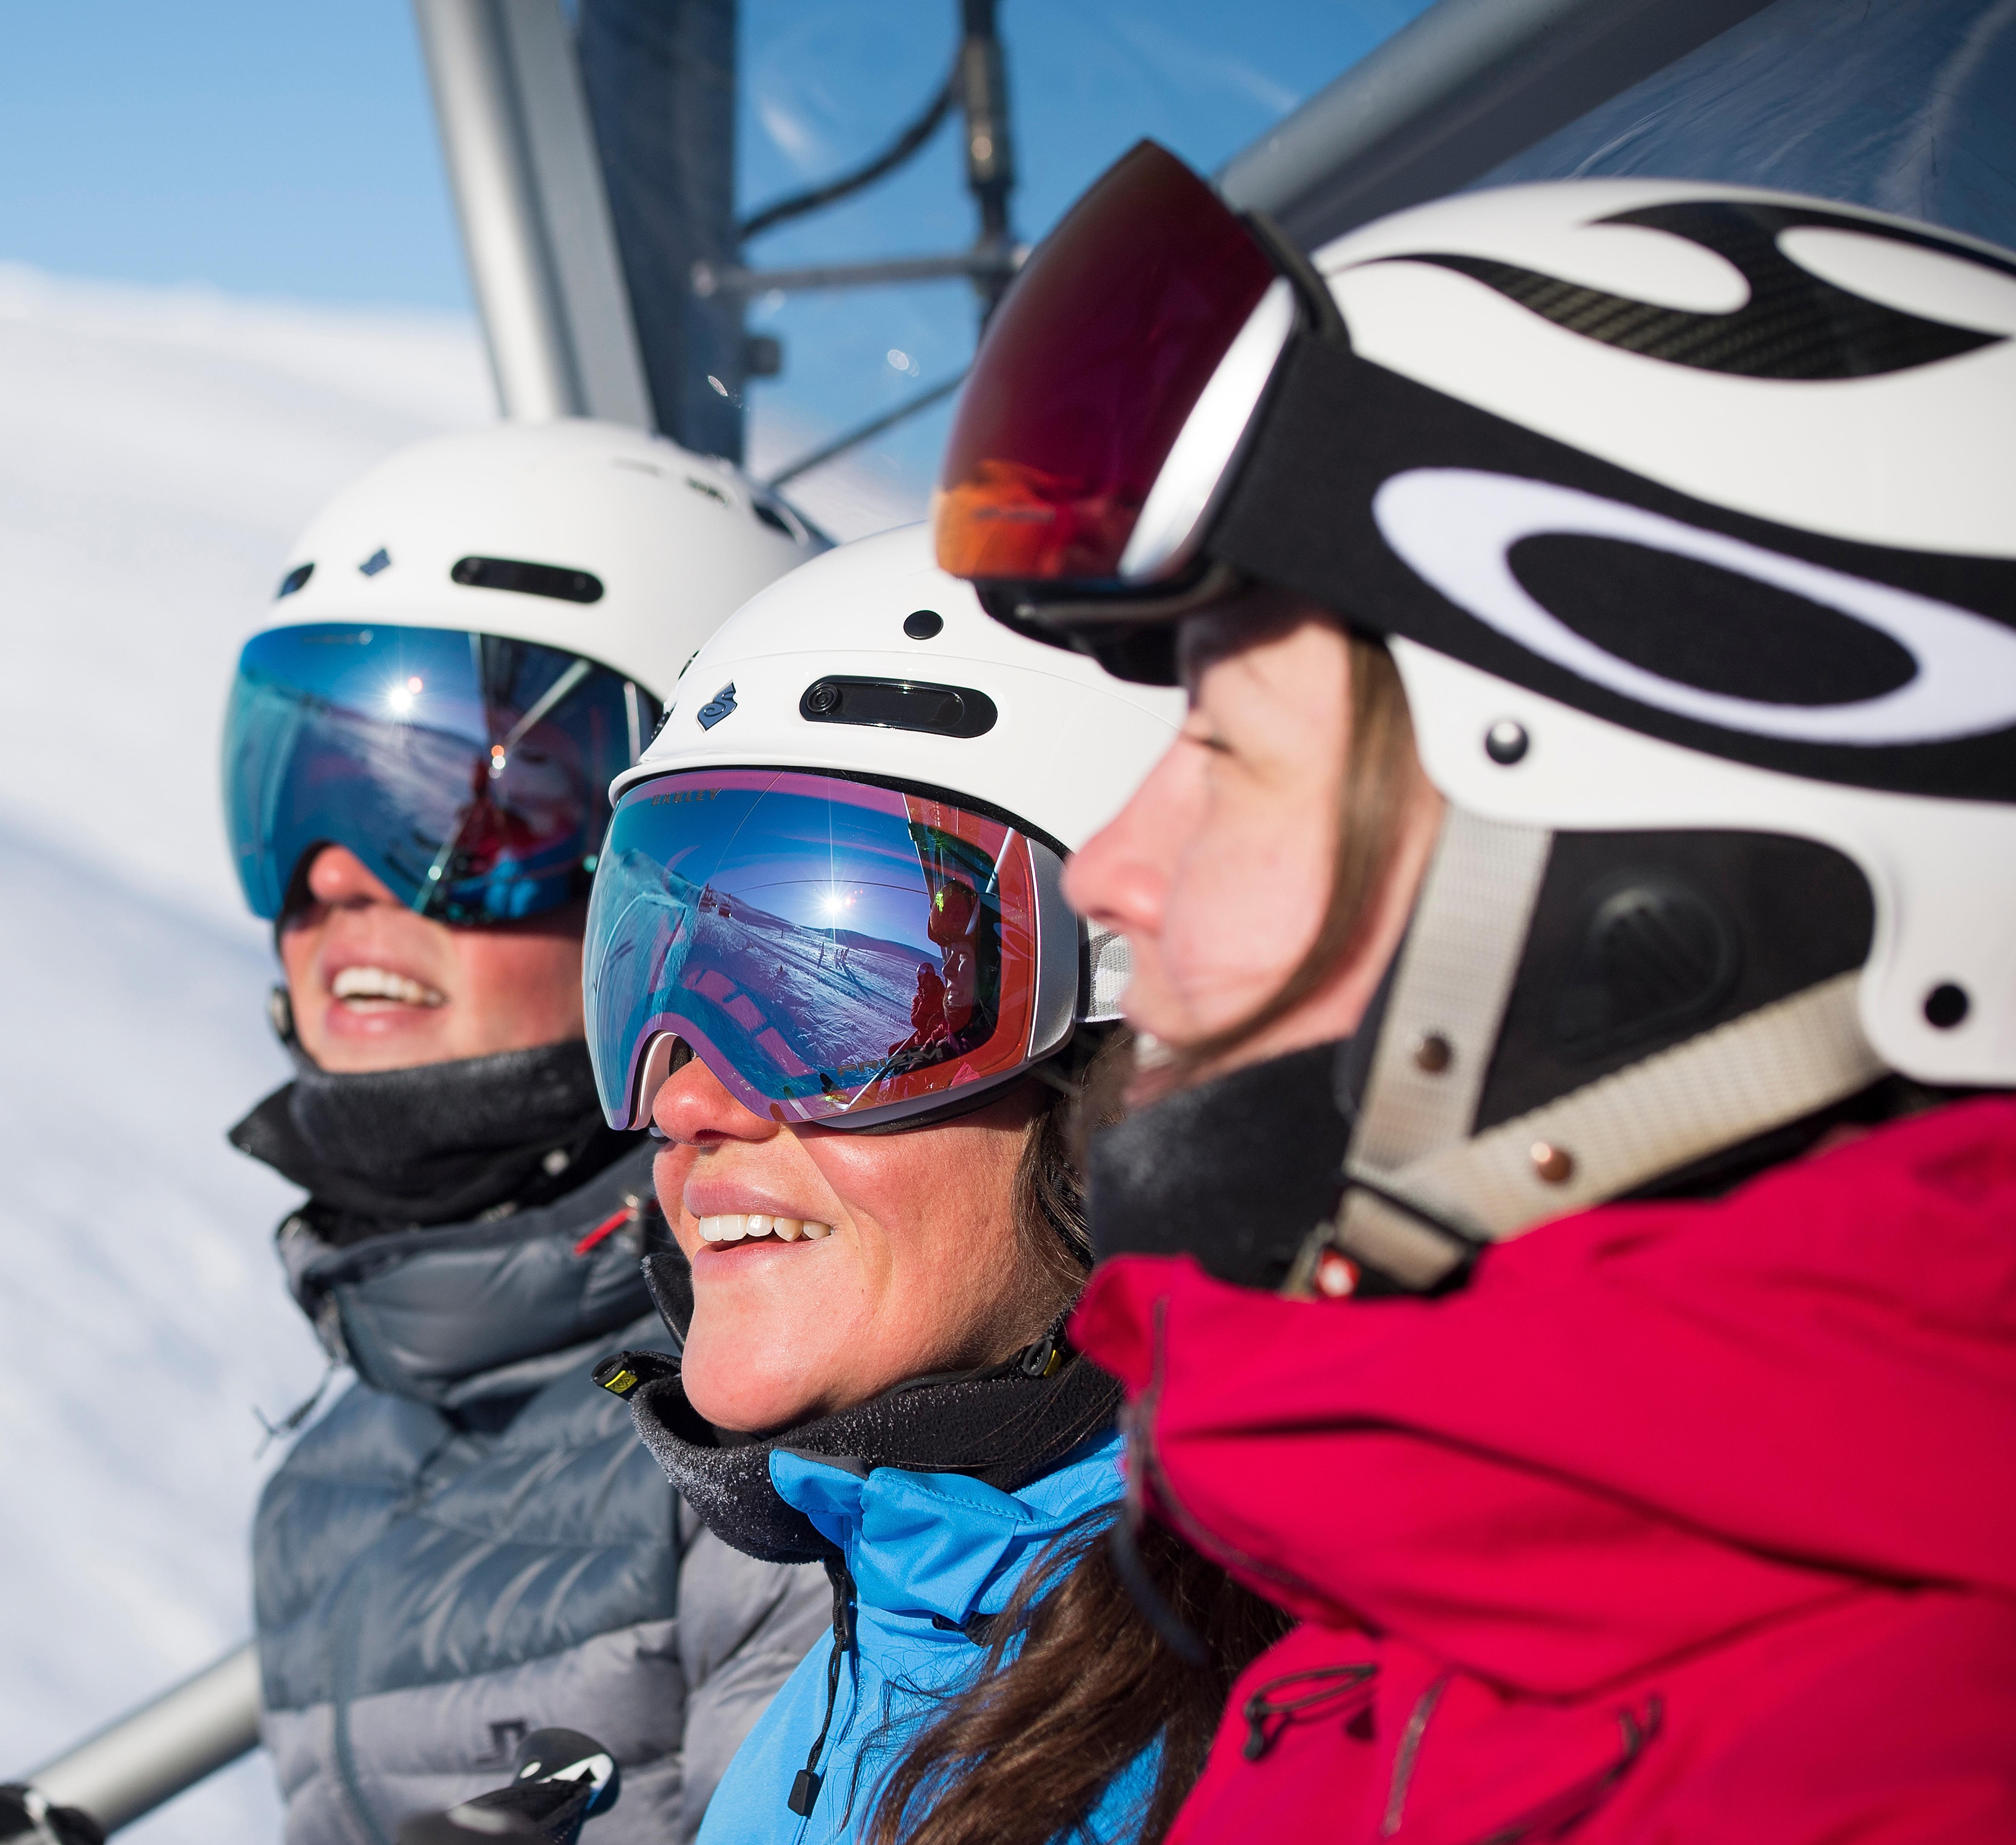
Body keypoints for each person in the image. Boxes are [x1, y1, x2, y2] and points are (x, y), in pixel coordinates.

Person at [932, 142, 2016, 1840]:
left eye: (1224, 747)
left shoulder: (1905, 1768)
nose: (1108, 872)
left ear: (1638, 915)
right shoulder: (1392, 1634)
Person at [576, 523, 1280, 1845]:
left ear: (1131, 1081)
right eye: (658, 993)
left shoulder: (1285, 1755)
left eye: (834, 1008)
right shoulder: (853, 1680)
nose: (687, 1099)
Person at [222, 417, 834, 1845]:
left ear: (688, 871)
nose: (336, 881)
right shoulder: (330, 1479)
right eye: (294, 797)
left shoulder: (780, 1420)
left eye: (456, 810)